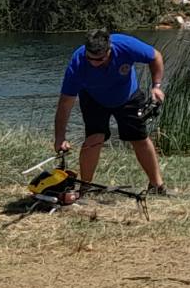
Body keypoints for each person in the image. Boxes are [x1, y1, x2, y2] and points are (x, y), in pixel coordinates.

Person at [53, 28, 167, 200]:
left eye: (99, 59)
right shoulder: (77, 64)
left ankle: (157, 185)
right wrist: (60, 137)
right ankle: (85, 187)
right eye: (90, 59)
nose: (94, 63)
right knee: (94, 139)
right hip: (93, 99)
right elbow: (65, 103)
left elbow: (156, 57)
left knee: (139, 138)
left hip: (128, 96)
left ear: (109, 50)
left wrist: (156, 86)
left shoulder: (126, 45)